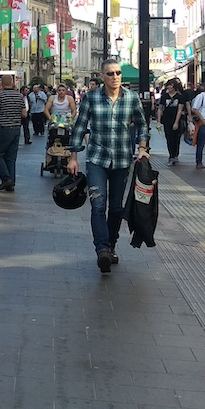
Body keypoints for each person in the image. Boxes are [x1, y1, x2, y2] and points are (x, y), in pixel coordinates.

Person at [68, 58, 150, 273]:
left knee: (116, 208)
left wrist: (142, 147)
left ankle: (111, 245)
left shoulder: (131, 98)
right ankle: (102, 249)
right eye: (110, 74)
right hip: (97, 159)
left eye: (117, 73)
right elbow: (79, 127)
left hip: (122, 160)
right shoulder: (91, 98)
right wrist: (73, 157)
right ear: (102, 76)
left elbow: (142, 125)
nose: (115, 77)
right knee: (97, 205)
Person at [0, 74, 27, 192]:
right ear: (13, 83)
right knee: (11, 157)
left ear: (2, 83)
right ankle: (11, 183)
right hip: (16, 129)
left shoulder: (0, 95)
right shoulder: (19, 96)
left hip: (3, 128)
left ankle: (5, 178)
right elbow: (24, 114)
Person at [156, 79, 187, 166]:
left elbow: (180, 110)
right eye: (168, 85)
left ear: (174, 86)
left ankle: (175, 154)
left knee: (176, 139)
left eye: (170, 85)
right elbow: (160, 108)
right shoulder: (164, 96)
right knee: (169, 138)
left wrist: (176, 122)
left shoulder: (180, 97)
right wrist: (158, 121)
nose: (168, 87)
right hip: (166, 120)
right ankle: (171, 156)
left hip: (176, 120)